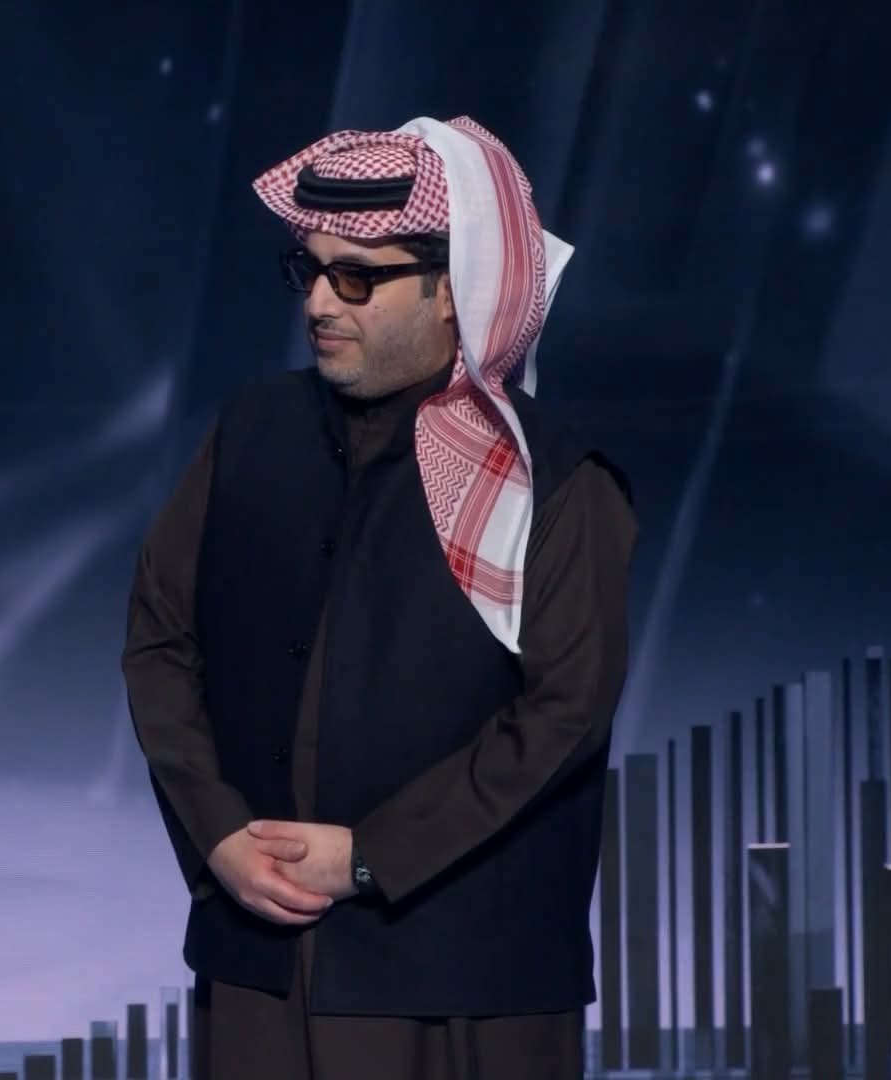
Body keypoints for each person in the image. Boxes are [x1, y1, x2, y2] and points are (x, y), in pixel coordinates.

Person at [122, 116, 637, 1079]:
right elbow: (159, 639)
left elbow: (565, 714)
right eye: (310, 271)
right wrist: (218, 831)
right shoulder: (252, 428)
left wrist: (368, 855)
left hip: (462, 984)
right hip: (260, 961)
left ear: (451, 291)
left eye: (358, 277)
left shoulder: (560, 481)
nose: (321, 302)